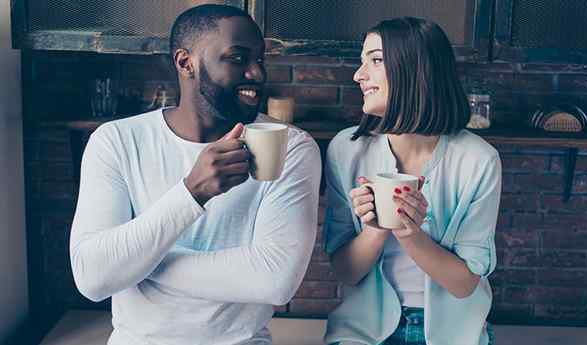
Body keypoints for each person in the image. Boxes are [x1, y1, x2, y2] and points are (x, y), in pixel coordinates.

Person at [69, 4, 321, 345]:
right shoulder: (116, 141)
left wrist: (137, 265)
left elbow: (275, 279)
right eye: (237, 58)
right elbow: (93, 278)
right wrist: (191, 193)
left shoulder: (289, 145)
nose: (258, 73)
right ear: (185, 62)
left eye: (260, 59)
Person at [323, 17, 501, 345]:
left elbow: (464, 285)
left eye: (375, 60)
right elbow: (346, 272)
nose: (358, 75)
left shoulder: (479, 160)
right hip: (362, 330)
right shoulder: (346, 150)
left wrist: (410, 234)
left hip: (454, 334)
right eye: (362, 61)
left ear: (415, 70)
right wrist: (375, 228)